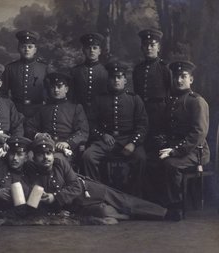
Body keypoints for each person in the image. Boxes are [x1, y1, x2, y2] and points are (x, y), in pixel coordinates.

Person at [25, 136, 173, 222]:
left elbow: (76, 186)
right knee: (103, 212)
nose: (46, 157)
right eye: (41, 154)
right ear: (34, 158)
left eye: (49, 153)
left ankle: (163, 213)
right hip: (78, 206)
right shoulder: (31, 171)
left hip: (88, 190)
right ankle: (127, 215)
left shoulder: (59, 162)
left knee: (122, 200)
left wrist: (55, 197)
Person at [82, 61, 148, 197]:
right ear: (109, 79)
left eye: (119, 77)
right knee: (88, 156)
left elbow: (142, 125)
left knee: (141, 158)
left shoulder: (135, 99)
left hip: (128, 139)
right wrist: (102, 135)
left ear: (125, 79)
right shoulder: (99, 99)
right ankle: (97, 193)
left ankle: (133, 195)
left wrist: (133, 143)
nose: (116, 80)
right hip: (106, 140)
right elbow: (90, 123)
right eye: (113, 77)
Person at [158, 60, 210, 220]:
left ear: (191, 79)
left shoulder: (196, 101)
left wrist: (175, 151)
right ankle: (160, 203)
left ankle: (176, 206)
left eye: (183, 76)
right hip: (178, 148)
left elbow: (198, 133)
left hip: (196, 151)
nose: (179, 80)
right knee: (153, 159)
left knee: (171, 165)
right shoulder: (173, 101)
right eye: (176, 77)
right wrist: (163, 142)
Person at [25, 72, 89, 164]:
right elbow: (29, 126)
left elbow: (83, 132)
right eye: (52, 87)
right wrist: (38, 135)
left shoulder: (75, 108)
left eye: (59, 87)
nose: (56, 90)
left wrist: (68, 143)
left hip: (64, 149)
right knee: (29, 158)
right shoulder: (43, 108)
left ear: (66, 89)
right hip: (44, 146)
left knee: (57, 160)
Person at [132, 28, 171, 148]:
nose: (149, 48)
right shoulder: (138, 69)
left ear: (158, 47)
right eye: (145, 45)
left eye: (152, 45)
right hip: (142, 110)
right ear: (141, 48)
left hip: (160, 111)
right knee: (142, 143)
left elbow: (170, 92)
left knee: (158, 143)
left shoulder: (165, 68)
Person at [1, 30, 50, 119]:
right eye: (23, 46)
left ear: (35, 49)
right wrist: (9, 109)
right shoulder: (9, 68)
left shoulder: (44, 68)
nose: (27, 49)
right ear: (18, 49)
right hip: (16, 110)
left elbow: (49, 92)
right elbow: (3, 93)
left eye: (30, 47)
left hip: (38, 111)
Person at [71, 33, 108, 119]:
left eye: (95, 48)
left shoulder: (106, 71)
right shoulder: (75, 71)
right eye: (88, 48)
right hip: (79, 114)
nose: (92, 51)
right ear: (83, 50)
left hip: (101, 115)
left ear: (100, 51)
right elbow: (71, 96)